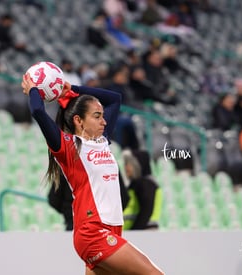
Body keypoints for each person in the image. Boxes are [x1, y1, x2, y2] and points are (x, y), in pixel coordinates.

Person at [22, 73, 164, 275]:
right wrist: (34, 89)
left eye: (103, 116)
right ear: (78, 120)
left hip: (112, 229)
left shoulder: (103, 141)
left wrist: (74, 90)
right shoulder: (68, 148)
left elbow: (115, 99)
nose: (104, 121)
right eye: (97, 116)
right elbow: (37, 110)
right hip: (93, 232)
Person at [122, 149, 162, 230]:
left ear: (137, 165)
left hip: (145, 231)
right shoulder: (136, 184)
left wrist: (135, 231)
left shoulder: (146, 184)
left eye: (129, 164)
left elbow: (146, 211)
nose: (126, 167)